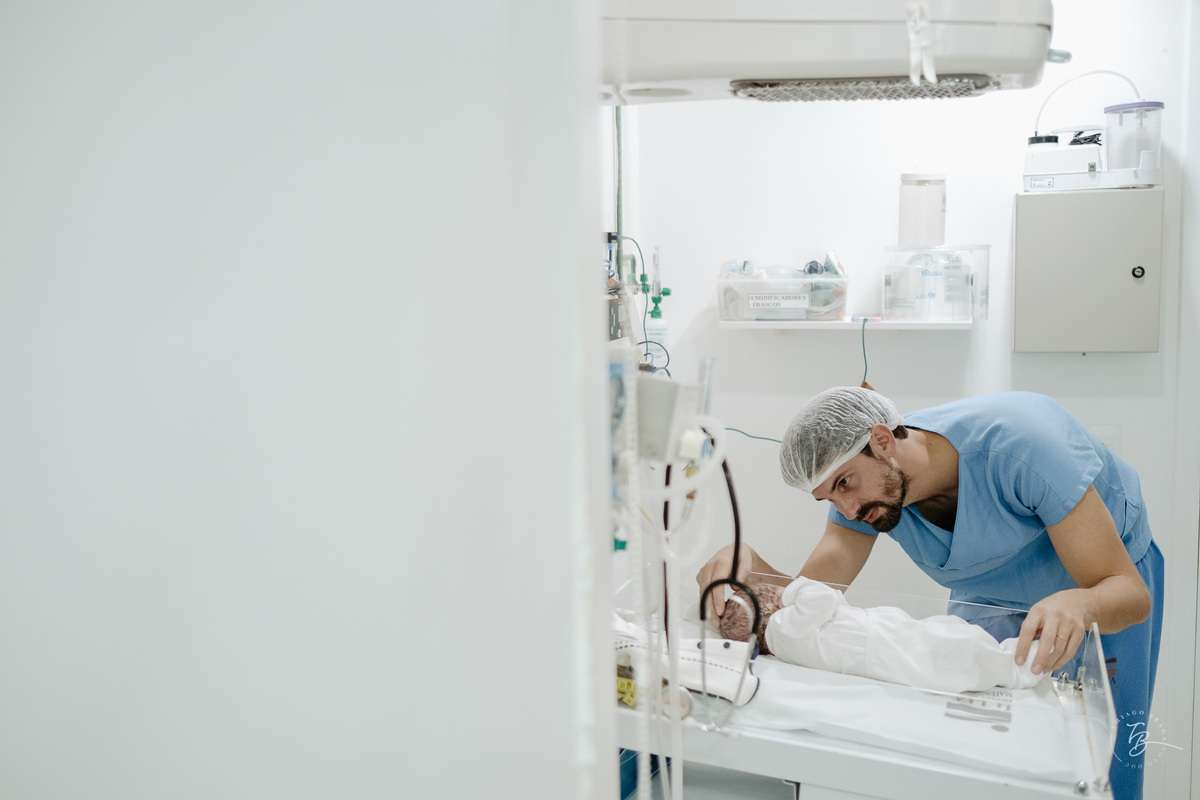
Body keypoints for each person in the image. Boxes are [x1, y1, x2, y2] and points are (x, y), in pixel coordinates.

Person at [696, 387, 1163, 800]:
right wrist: (751, 569)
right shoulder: (869, 499)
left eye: (844, 484)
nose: (849, 510)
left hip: (1098, 590)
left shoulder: (1023, 447)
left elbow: (1129, 593)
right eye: (830, 499)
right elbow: (812, 601)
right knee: (984, 761)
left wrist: (1080, 603)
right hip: (990, 599)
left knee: (1098, 762)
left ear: (882, 441)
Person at [719, 580, 1044, 692]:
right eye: (775, 594)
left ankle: (1011, 654)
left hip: (877, 636)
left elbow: (832, 604)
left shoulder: (787, 636)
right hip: (878, 645)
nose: (783, 595)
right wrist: (794, 589)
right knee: (948, 652)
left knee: (943, 636)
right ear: (769, 606)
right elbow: (824, 597)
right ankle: (1020, 665)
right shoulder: (781, 630)